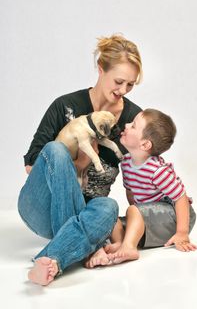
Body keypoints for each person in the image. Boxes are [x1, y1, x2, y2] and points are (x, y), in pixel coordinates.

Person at [18, 34, 143, 285]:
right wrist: (78, 164)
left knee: (108, 207)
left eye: (130, 85)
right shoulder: (65, 105)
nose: (123, 91)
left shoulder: (132, 120)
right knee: (55, 150)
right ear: (100, 69)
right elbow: (33, 164)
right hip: (42, 207)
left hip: (89, 215)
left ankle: (51, 260)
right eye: (119, 81)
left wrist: (168, 199)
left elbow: (139, 172)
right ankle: (84, 246)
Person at [85, 109, 197, 268]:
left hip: (176, 218)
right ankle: (120, 243)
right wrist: (134, 219)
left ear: (145, 144)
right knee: (111, 218)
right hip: (149, 217)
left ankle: (129, 247)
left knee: (133, 211)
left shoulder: (158, 171)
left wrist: (182, 233)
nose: (126, 125)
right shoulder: (126, 162)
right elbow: (131, 193)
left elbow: (181, 198)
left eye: (133, 126)